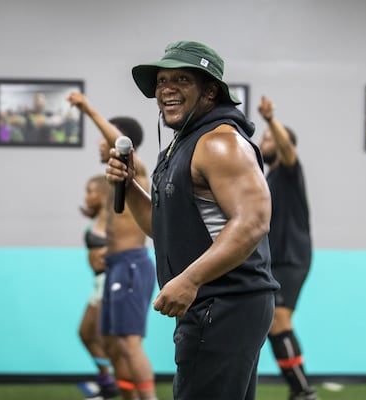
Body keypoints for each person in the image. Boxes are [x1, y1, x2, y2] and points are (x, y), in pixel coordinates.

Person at [105, 40, 280, 400]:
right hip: (214, 302)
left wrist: (189, 279)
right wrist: (130, 185)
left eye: (182, 79)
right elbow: (164, 228)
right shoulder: (182, 145)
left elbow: (252, 222)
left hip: (225, 301)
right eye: (161, 81)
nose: (166, 89)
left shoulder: (220, 143)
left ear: (210, 91)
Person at [68, 92, 158, 400]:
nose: (97, 142)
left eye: (103, 137)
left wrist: (87, 109)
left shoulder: (139, 172)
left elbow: (122, 143)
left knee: (130, 343)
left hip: (133, 264)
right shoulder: (111, 181)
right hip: (115, 267)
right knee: (111, 341)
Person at [257, 96, 316, 400]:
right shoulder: (269, 178)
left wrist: (270, 120)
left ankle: (304, 391)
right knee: (271, 324)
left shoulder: (290, 171)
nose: (264, 142)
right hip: (273, 259)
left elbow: (289, 150)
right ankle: (299, 389)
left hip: (291, 258)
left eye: (269, 138)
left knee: (279, 319)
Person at [78, 174, 119, 400]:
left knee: (102, 337)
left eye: (90, 191)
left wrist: (107, 252)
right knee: (85, 333)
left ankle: (111, 385)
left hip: (110, 283)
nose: (87, 196)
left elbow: (127, 247)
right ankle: (107, 382)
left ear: (104, 193)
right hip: (97, 282)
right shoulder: (97, 220)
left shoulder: (117, 218)